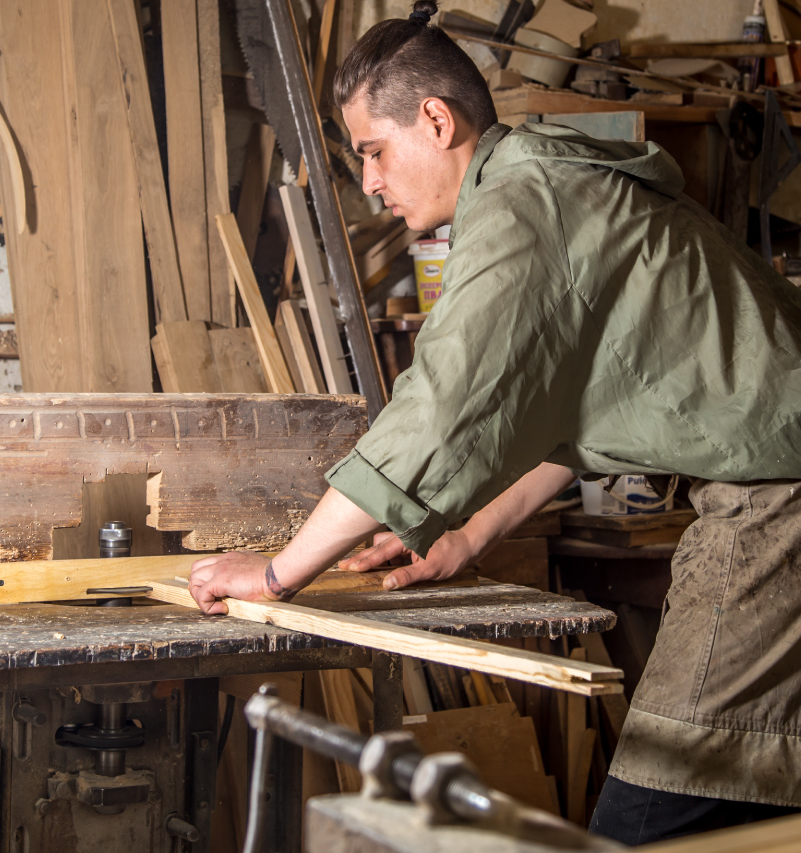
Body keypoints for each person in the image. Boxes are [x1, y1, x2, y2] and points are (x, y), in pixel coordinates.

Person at [187, 0, 801, 844]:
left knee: (653, 812)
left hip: (777, 507)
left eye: (374, 150)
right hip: (775, 489)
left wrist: (278, 575)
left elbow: (437, 411)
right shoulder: (551, 181)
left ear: (435, 120)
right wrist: (470, 535)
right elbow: (580, 404)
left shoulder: (522, 207)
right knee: (756, 806)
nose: (368, 181)